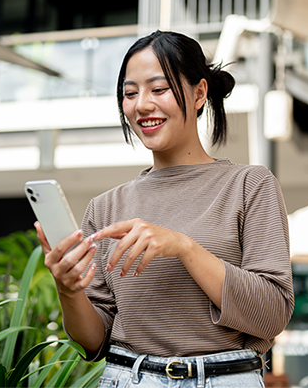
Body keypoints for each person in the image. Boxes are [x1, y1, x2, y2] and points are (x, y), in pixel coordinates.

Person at [37, 30, 294, 388]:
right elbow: (93, 342)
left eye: (159, 89)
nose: (141, 104)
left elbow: (272, 315)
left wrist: (183, 247)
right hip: (128, 378)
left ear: (199, 93)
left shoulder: (250, 185)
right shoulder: (106, 207)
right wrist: (68, 289)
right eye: (130, 93)